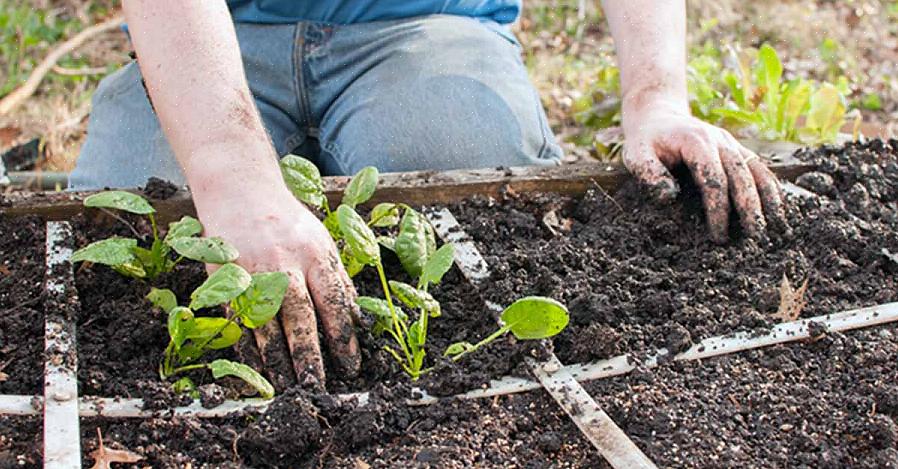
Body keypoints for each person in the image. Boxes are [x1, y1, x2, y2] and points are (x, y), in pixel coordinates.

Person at [69, 0, 785, 388]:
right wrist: (229, 168)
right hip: (207, 36)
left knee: (464, 185)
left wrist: (656, 96)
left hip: (430, 24)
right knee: (123, 239)